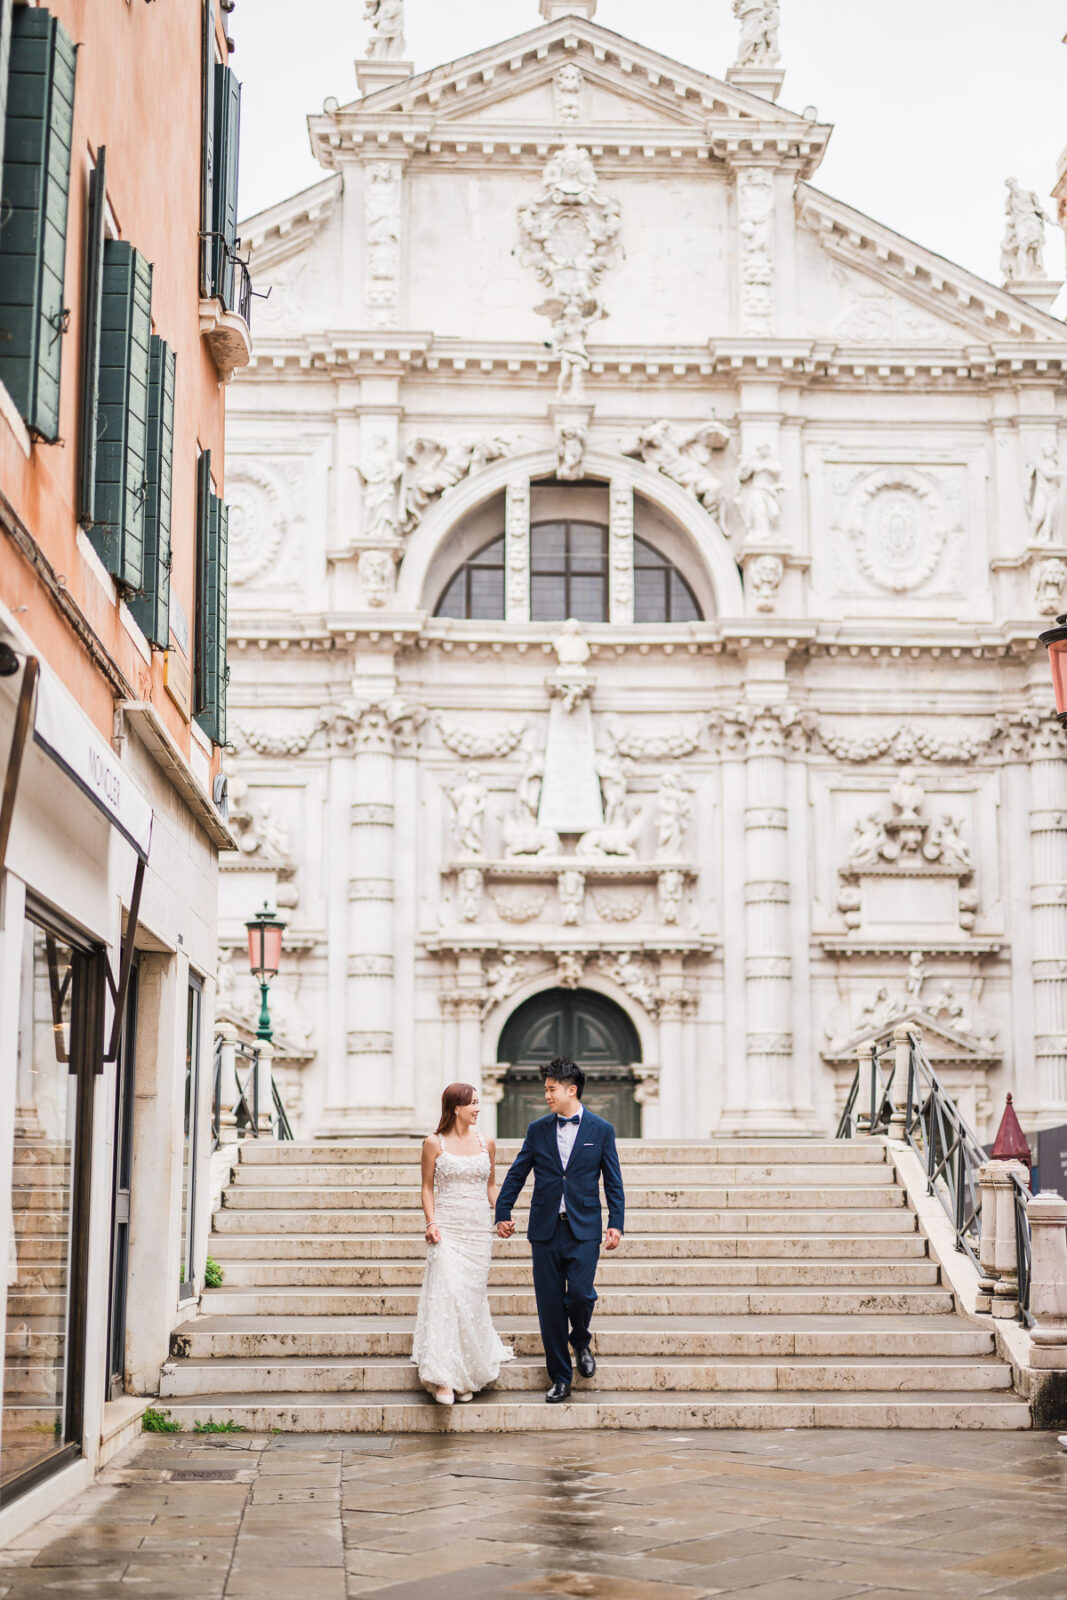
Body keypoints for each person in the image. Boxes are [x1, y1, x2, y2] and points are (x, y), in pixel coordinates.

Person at [494, 1058, 625, 1403]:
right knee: (550, 1306)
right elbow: (518, 1172)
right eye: (545, 1089)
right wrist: (502, 1211)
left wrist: (616, 1223)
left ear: (572, 1089)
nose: (547, 1095)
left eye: (551, 1089)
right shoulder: (537, 1129)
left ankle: (580, 1340)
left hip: (584, 1230)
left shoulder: (601, 1129)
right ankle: (560, 1377)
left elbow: (613, 1180)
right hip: (546, 1229)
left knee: (581, 1295)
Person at [411, 1083, 513, 1405]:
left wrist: (502, 1216)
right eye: (473, 1104)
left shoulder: (488, 1143)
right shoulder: (433, 1143)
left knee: (469, 1300)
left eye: (479, 1103)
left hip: (478, 1232)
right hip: (448, 1229)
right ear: (456, 1108)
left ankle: (466, 1372)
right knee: (448, 1295)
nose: (478, 1109)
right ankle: (443, 1378)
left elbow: (492, 1186)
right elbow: (427, 1188)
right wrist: (431, 1222)